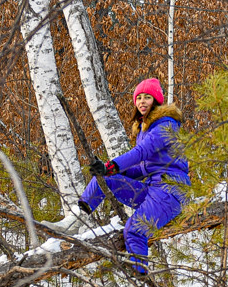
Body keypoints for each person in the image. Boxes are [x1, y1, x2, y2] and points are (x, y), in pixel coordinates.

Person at [77, 77, 189, 275]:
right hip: (154, 188)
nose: (142, 102)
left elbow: (140, 154)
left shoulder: (166, 125)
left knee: (135, 230)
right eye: (139, 98)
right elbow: (141, 169)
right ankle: (79, 215)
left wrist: (111, 165)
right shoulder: (146, 129)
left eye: (147, 97)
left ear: (156, 101)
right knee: (106, 180)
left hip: (170, 191)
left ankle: (140, 275)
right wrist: (107, 170)